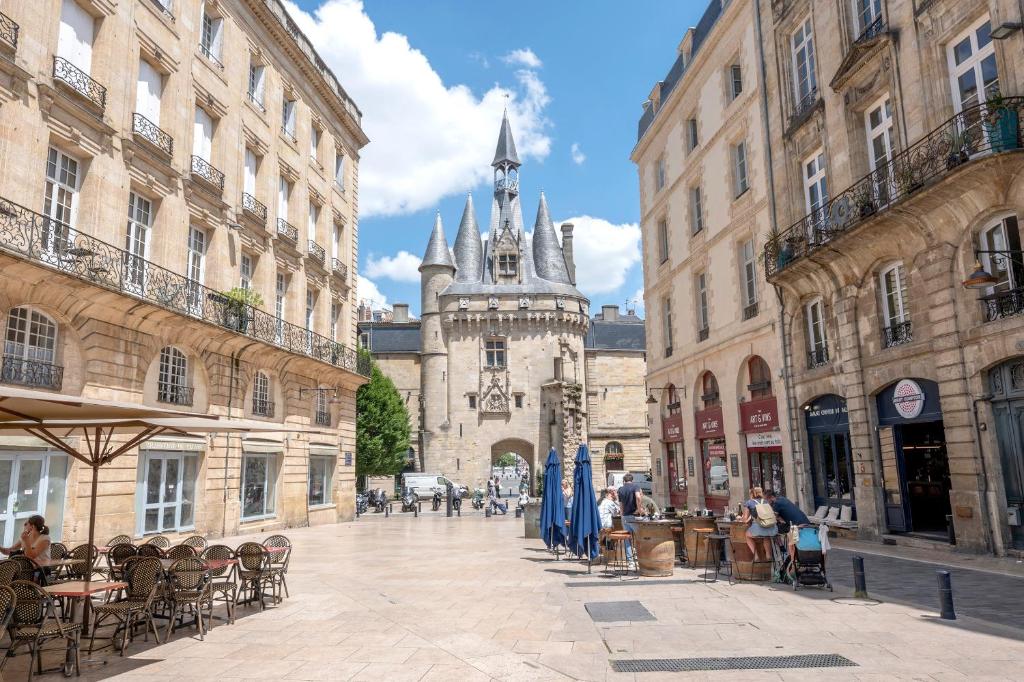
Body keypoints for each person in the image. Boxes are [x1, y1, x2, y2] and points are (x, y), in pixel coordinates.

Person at [765, 489, 810, 557]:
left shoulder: (776, 504)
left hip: (796, 526)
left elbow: (773, 519)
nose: (766, 502)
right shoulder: (782, 499)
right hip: (805, 522)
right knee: (777, 528)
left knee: (772, 529)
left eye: (766, 500)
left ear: (771, 497)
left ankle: (784, 551)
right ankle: (785, 551)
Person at [739, 486, 778, 561]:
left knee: (747, 535)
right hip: (771, 527)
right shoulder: (766, 501)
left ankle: (756, 556)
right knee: (766, 536)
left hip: (758, 529)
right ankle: (768, 556)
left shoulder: (749, 502)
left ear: (752, 494)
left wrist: (742, 519)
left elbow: (745, 518)